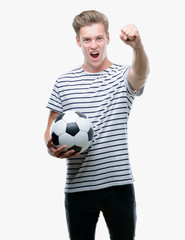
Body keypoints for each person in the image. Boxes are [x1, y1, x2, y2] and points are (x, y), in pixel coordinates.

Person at [44, 10, 149, 240]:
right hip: (78, 188)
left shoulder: (122, 76)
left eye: (99, 38)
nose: (94, 45)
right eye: (87, 39)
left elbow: (140, 74)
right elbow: (50, 129)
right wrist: (52, 148)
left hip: (119, 186)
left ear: (108, 39)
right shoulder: (63, 82)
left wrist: (138, 47)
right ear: (78, 41)